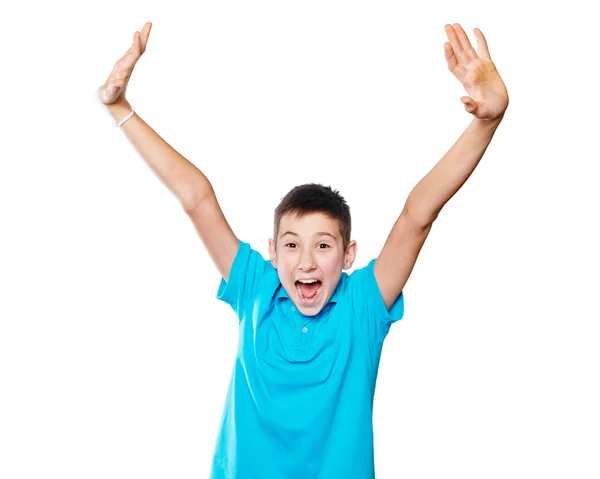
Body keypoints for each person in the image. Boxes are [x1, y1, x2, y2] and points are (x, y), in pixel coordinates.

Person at [97, 21, 509, 478]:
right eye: (292, 245)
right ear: (272, 252)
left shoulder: (362, 306)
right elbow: (197, 198)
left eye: (323, 245)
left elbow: (418, 215)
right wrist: (121, 109)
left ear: (349, 255)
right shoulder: (256, 287)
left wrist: (485, 122)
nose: (307, 261)